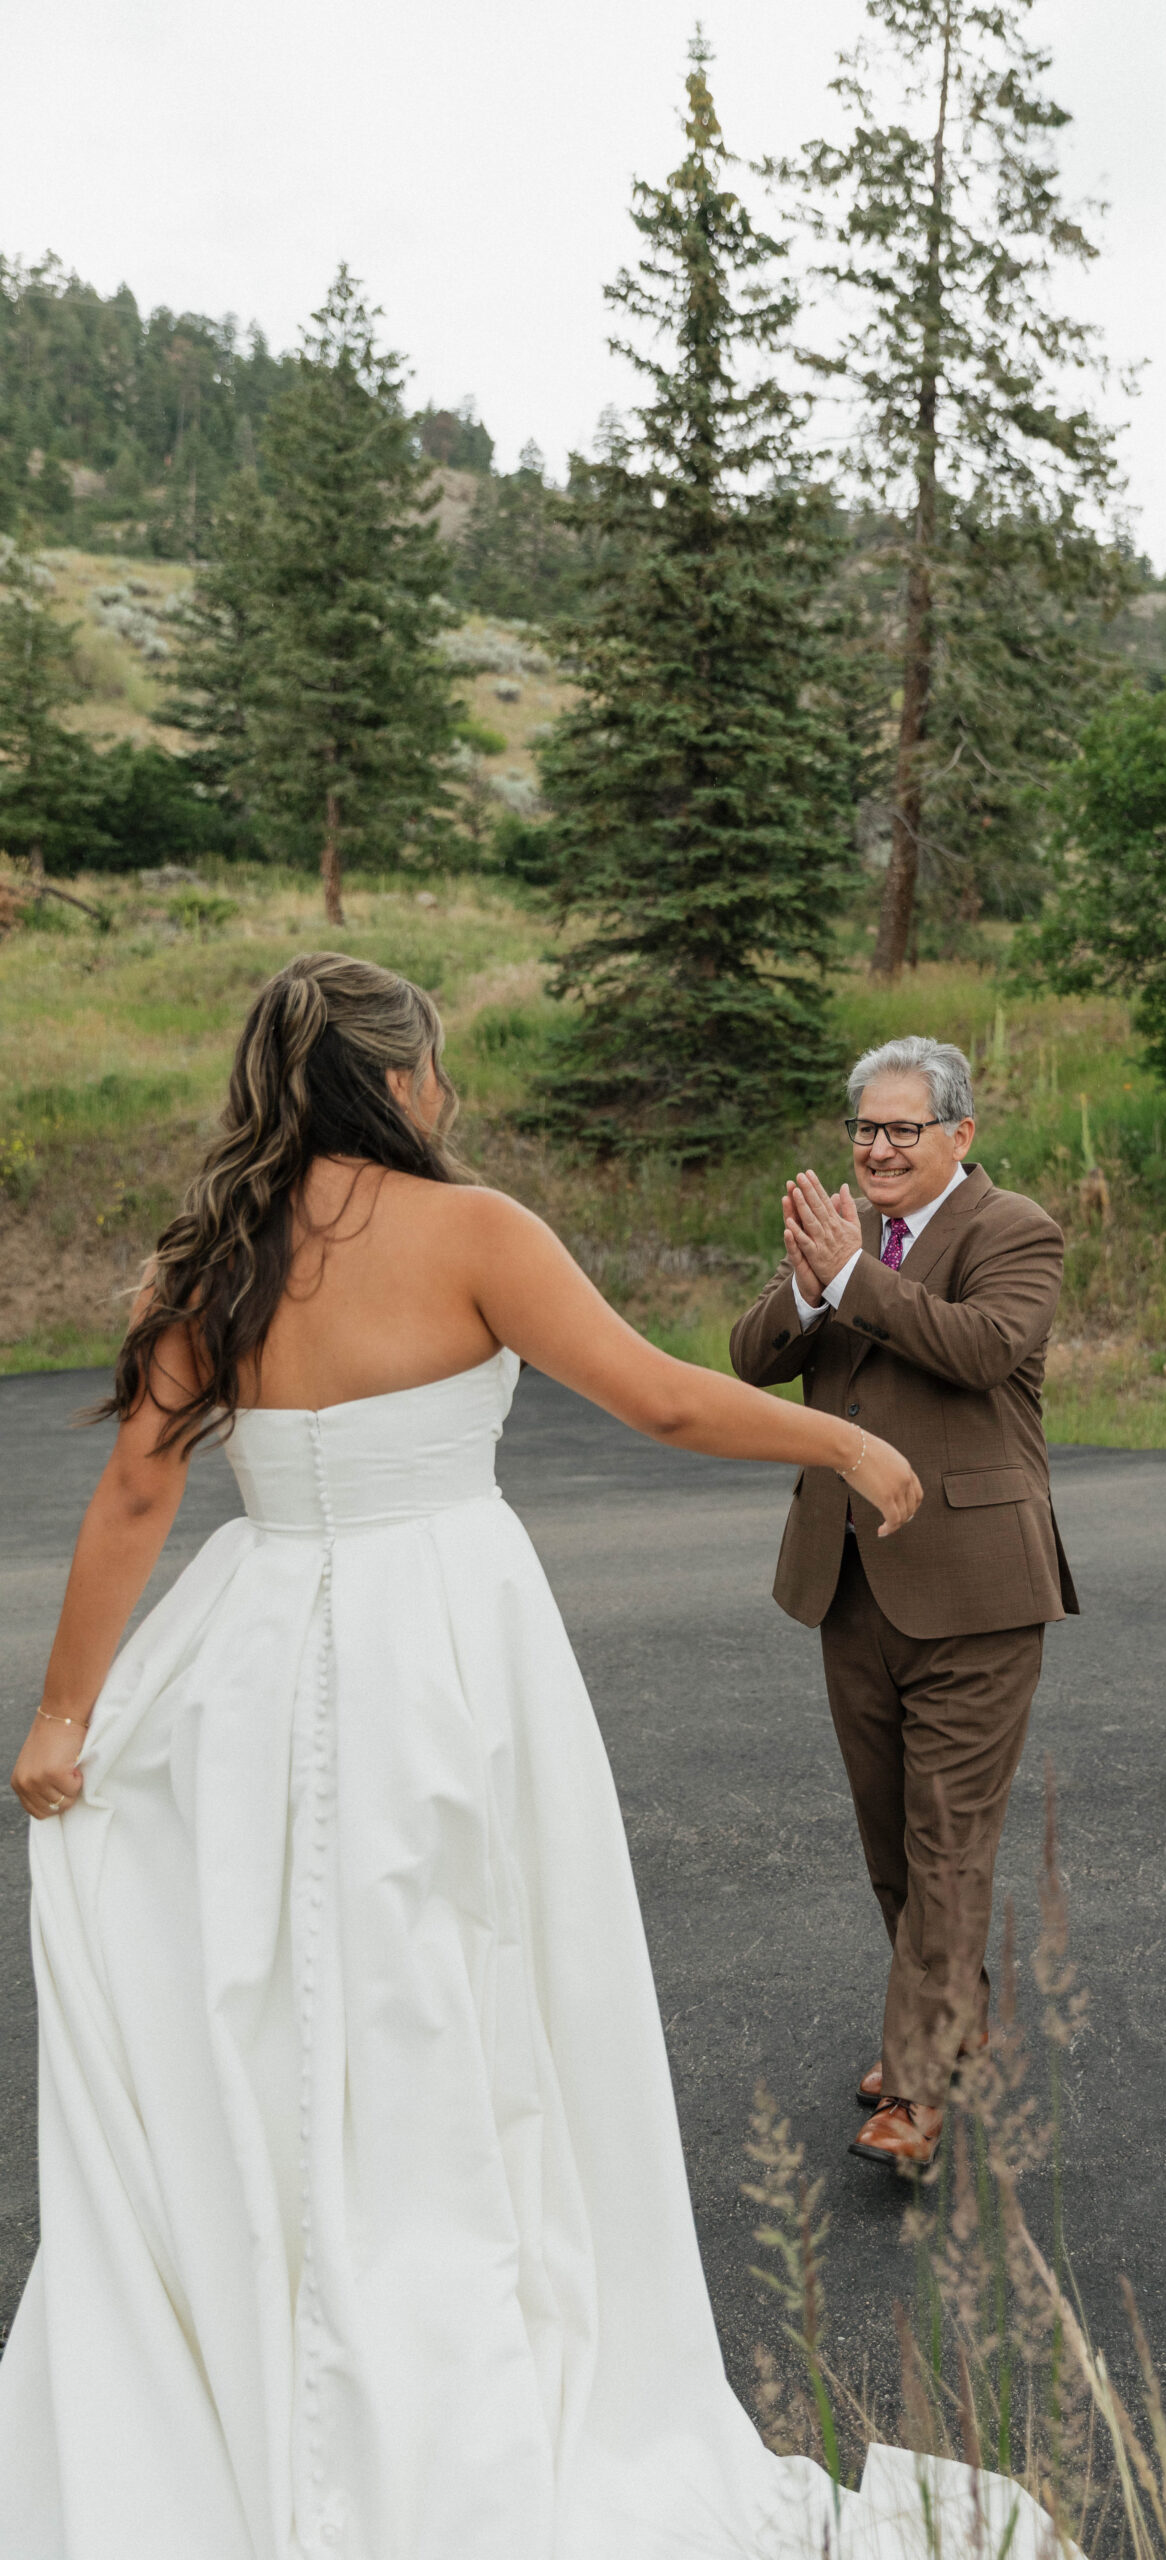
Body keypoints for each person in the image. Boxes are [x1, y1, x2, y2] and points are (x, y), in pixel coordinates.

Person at [0, 956, 1067, 2560]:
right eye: (432, 1065)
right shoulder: (477, 1231)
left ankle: (267, 2359)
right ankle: (438, 2353)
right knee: (454, 1997)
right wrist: (842, 1437)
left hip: (253, 1651)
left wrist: (64, 1717)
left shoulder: (212, 1250)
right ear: (395, 1082)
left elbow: (139, 1491)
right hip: (440, 1653)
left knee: (268, 2001)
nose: (447, 1091)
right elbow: (661, 1403)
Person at [729, 1037, 1077, 2175]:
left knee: (947, 1841)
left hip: (978, 1590)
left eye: (901, 1129)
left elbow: (980, 1349)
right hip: (849, 1582)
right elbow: (750, 1361)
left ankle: (919, 2088)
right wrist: (806, 1284)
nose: (877, 1149)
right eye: (864, 1129)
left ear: (959, 1135)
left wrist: (850, 1280)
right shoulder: (844, 1239)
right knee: (890, 1835)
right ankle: (951, 2016)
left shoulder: (1012, 1230)